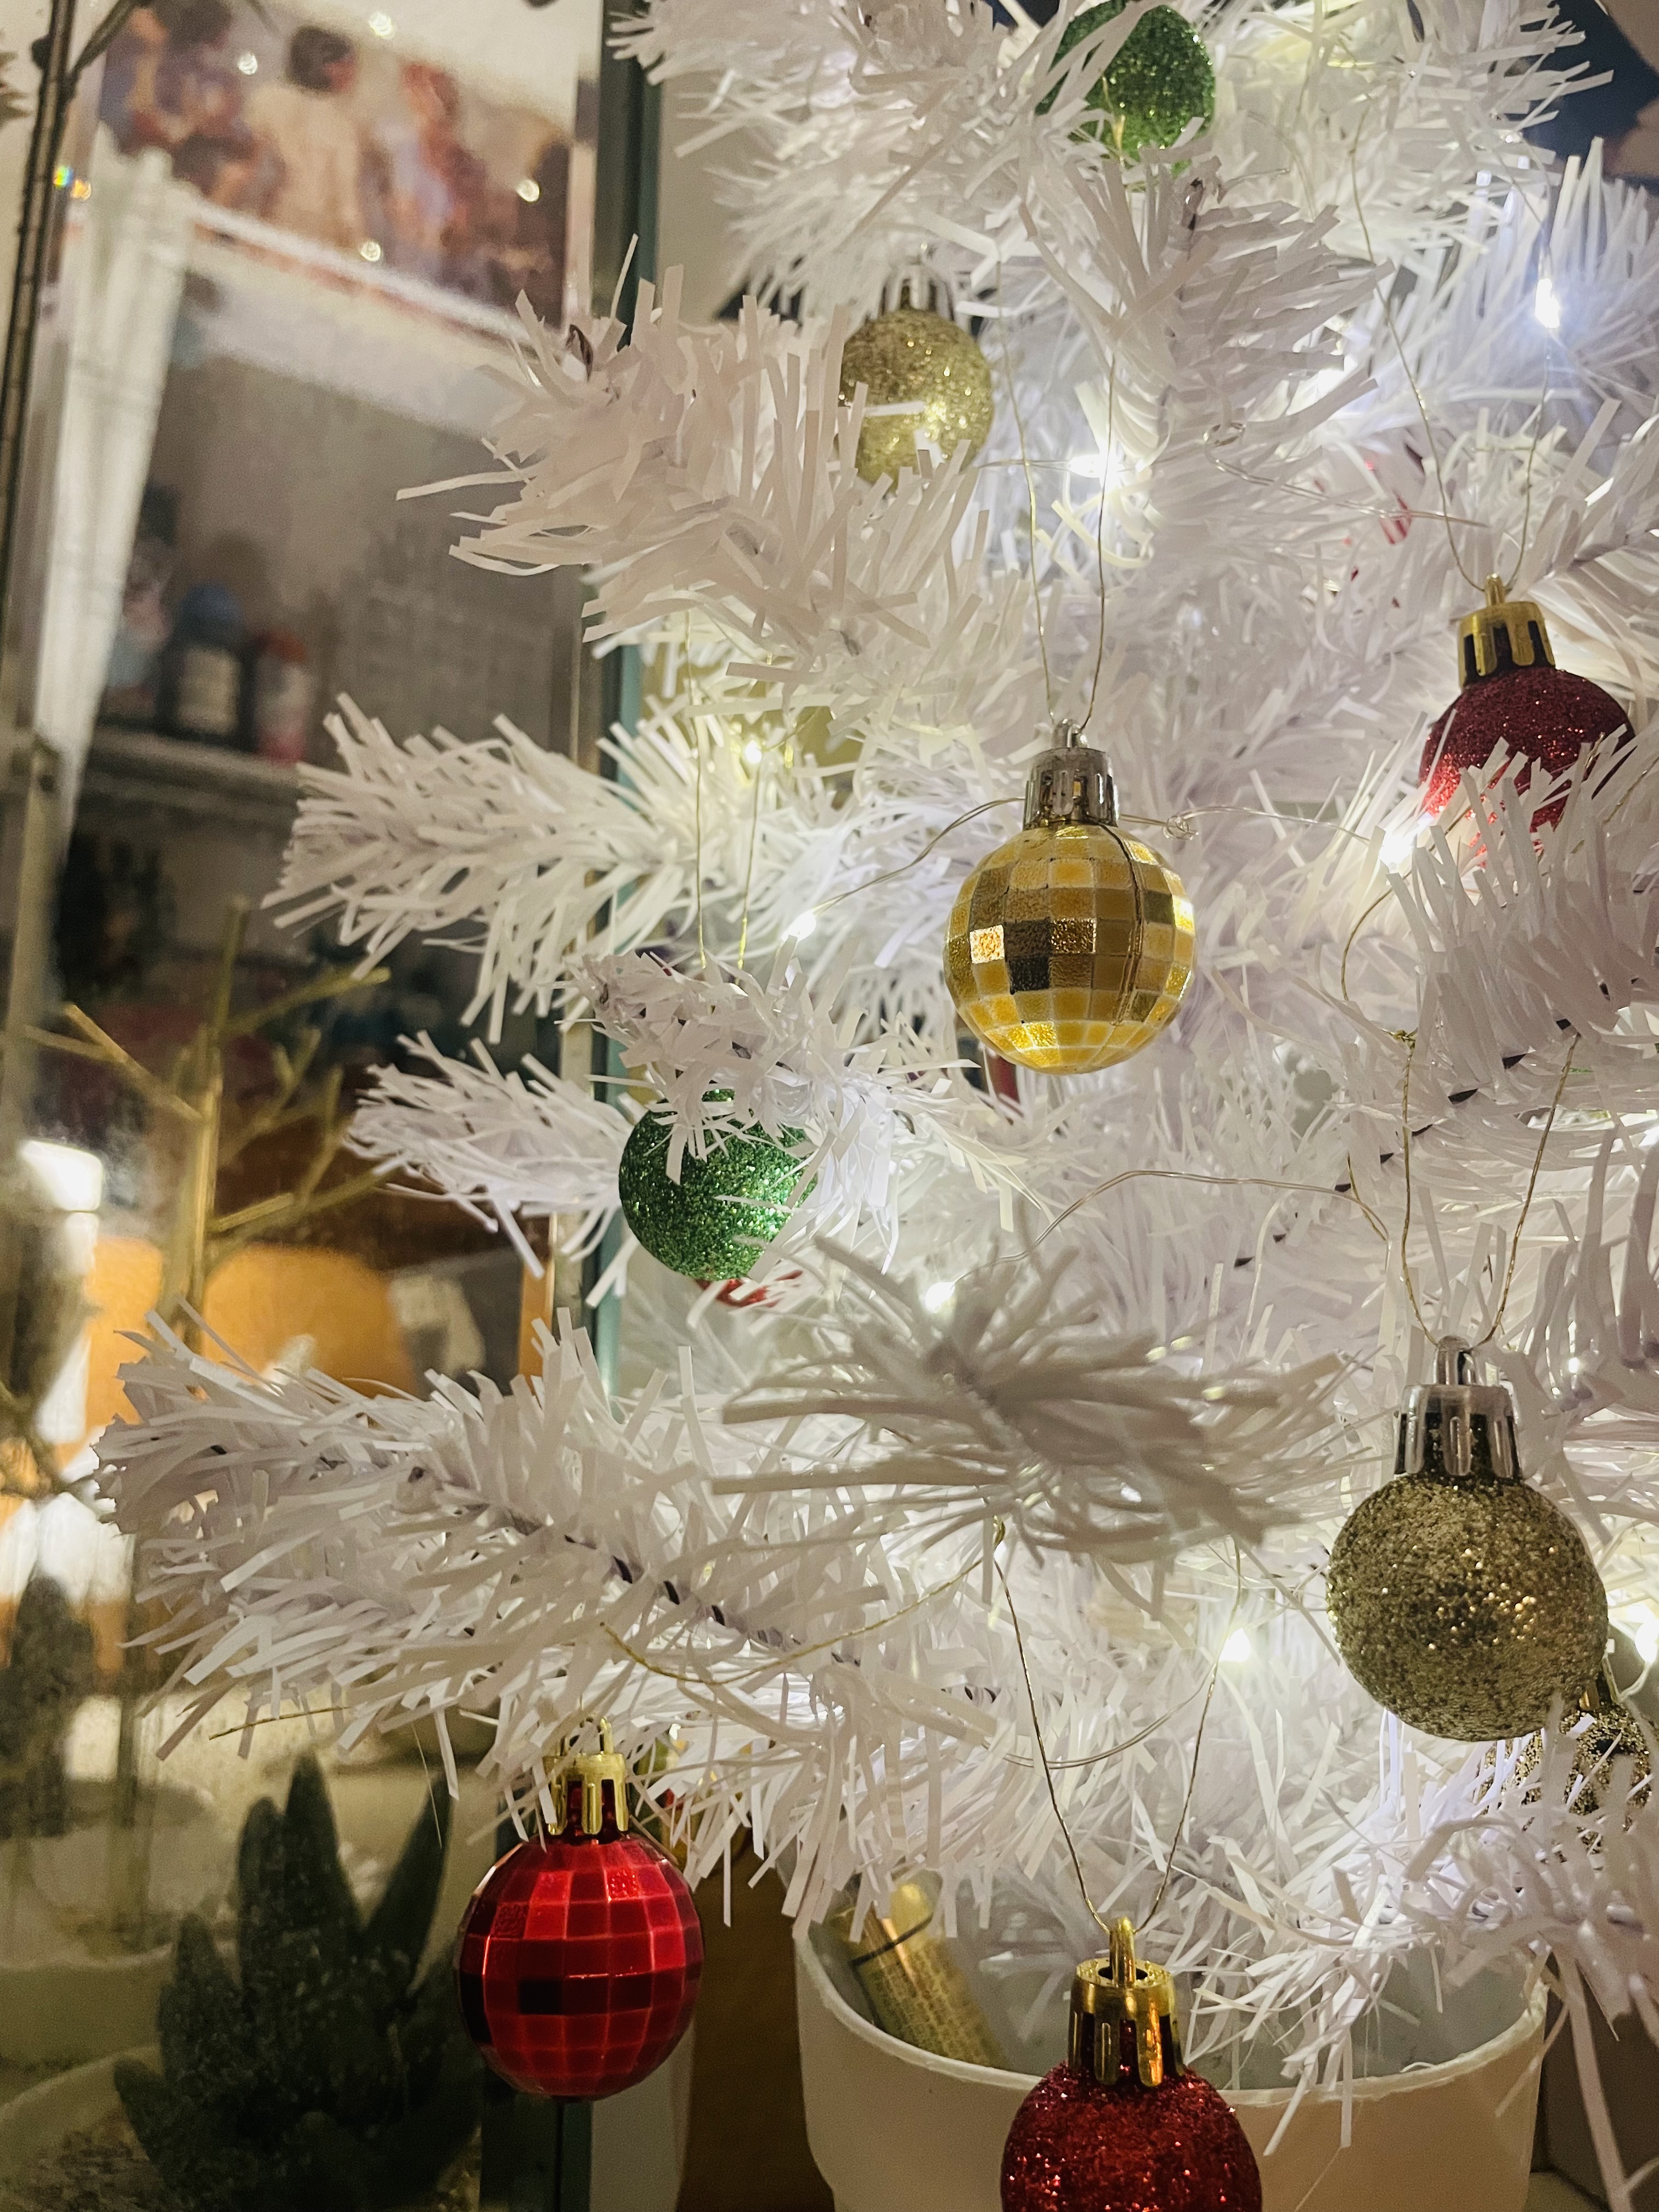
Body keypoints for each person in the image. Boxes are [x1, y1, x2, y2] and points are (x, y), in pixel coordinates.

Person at [240, 26, 368, 253]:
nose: (355, 71)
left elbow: (247, 166)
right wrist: (361, 255)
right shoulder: (342, 126)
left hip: (261, 231)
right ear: (329, 67)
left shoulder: (265, 99)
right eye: (348, 63)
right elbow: (347, 205)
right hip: (314, 241)